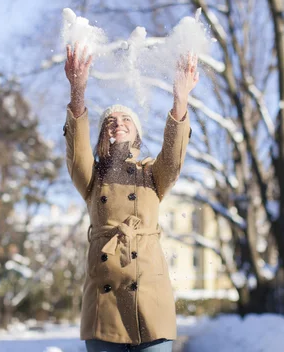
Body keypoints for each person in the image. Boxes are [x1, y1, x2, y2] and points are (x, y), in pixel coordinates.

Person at [63, 42, 199, 352]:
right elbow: (77, 153)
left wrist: (181, 98)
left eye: (126, 121)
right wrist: (78, 90)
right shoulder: (92, 177)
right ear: (101, 136)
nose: (117, 124)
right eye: (110, 122)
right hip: (104, 302)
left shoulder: (152, 174)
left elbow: (174, 158)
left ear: (137, 134)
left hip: (150, 297)